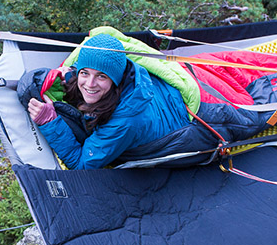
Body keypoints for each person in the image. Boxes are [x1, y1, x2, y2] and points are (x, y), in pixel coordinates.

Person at [26, 34, 190, 169]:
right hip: (165, 101)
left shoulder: (125, 120)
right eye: (84, 73)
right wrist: (70, 75)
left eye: (101, 76)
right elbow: (92, 66)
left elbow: (82, 165)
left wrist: (50, 122)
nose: (90, 84)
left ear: (115, 79)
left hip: (177, 127)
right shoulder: (122, 71)